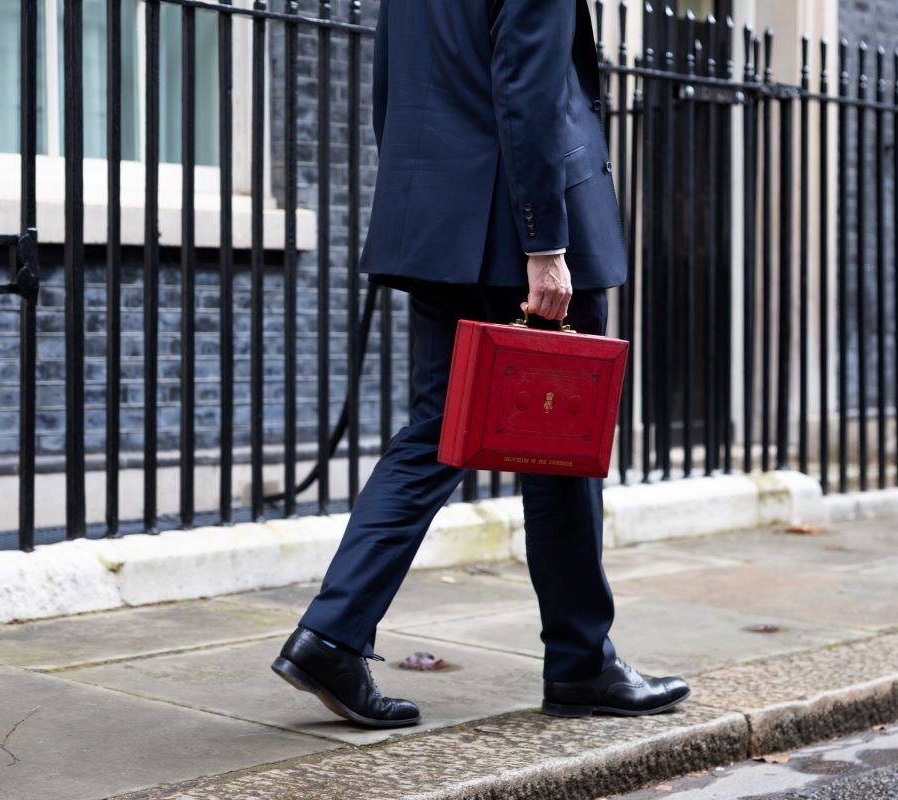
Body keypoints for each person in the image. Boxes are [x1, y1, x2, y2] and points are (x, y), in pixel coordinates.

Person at [271, 0, 690, 728]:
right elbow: (527, 88)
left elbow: (391, 90)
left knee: (437, 430)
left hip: (441, 222)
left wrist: (429, 205)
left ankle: (331, 635)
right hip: (525, 228)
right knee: (561, 448)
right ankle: (582, 662)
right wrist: (545, 245)